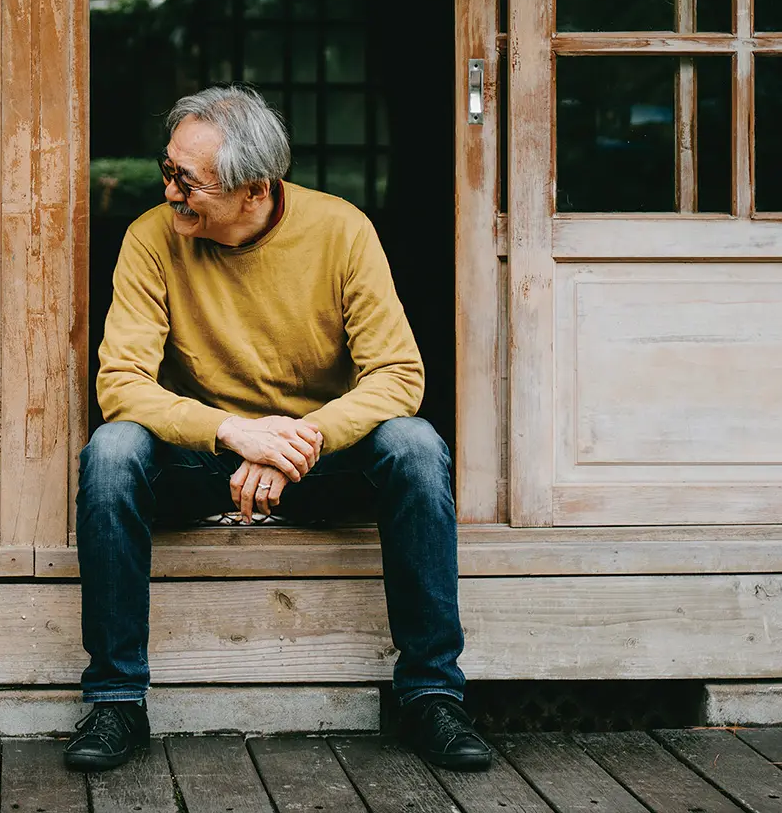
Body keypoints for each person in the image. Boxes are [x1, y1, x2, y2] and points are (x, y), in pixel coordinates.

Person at [65, 86, 491, 772]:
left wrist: (299, 440)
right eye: (167, 169)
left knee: (414, 444)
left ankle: (432, 694)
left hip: (318, 461)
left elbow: (398, 375)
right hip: (209, 461)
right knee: (112, 452)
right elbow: (120, 383)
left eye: (187, 180)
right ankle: (116, 701)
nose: (168, 189)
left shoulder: (342, 230)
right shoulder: (151, 239)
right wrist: (237, 433)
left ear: (254, 188)